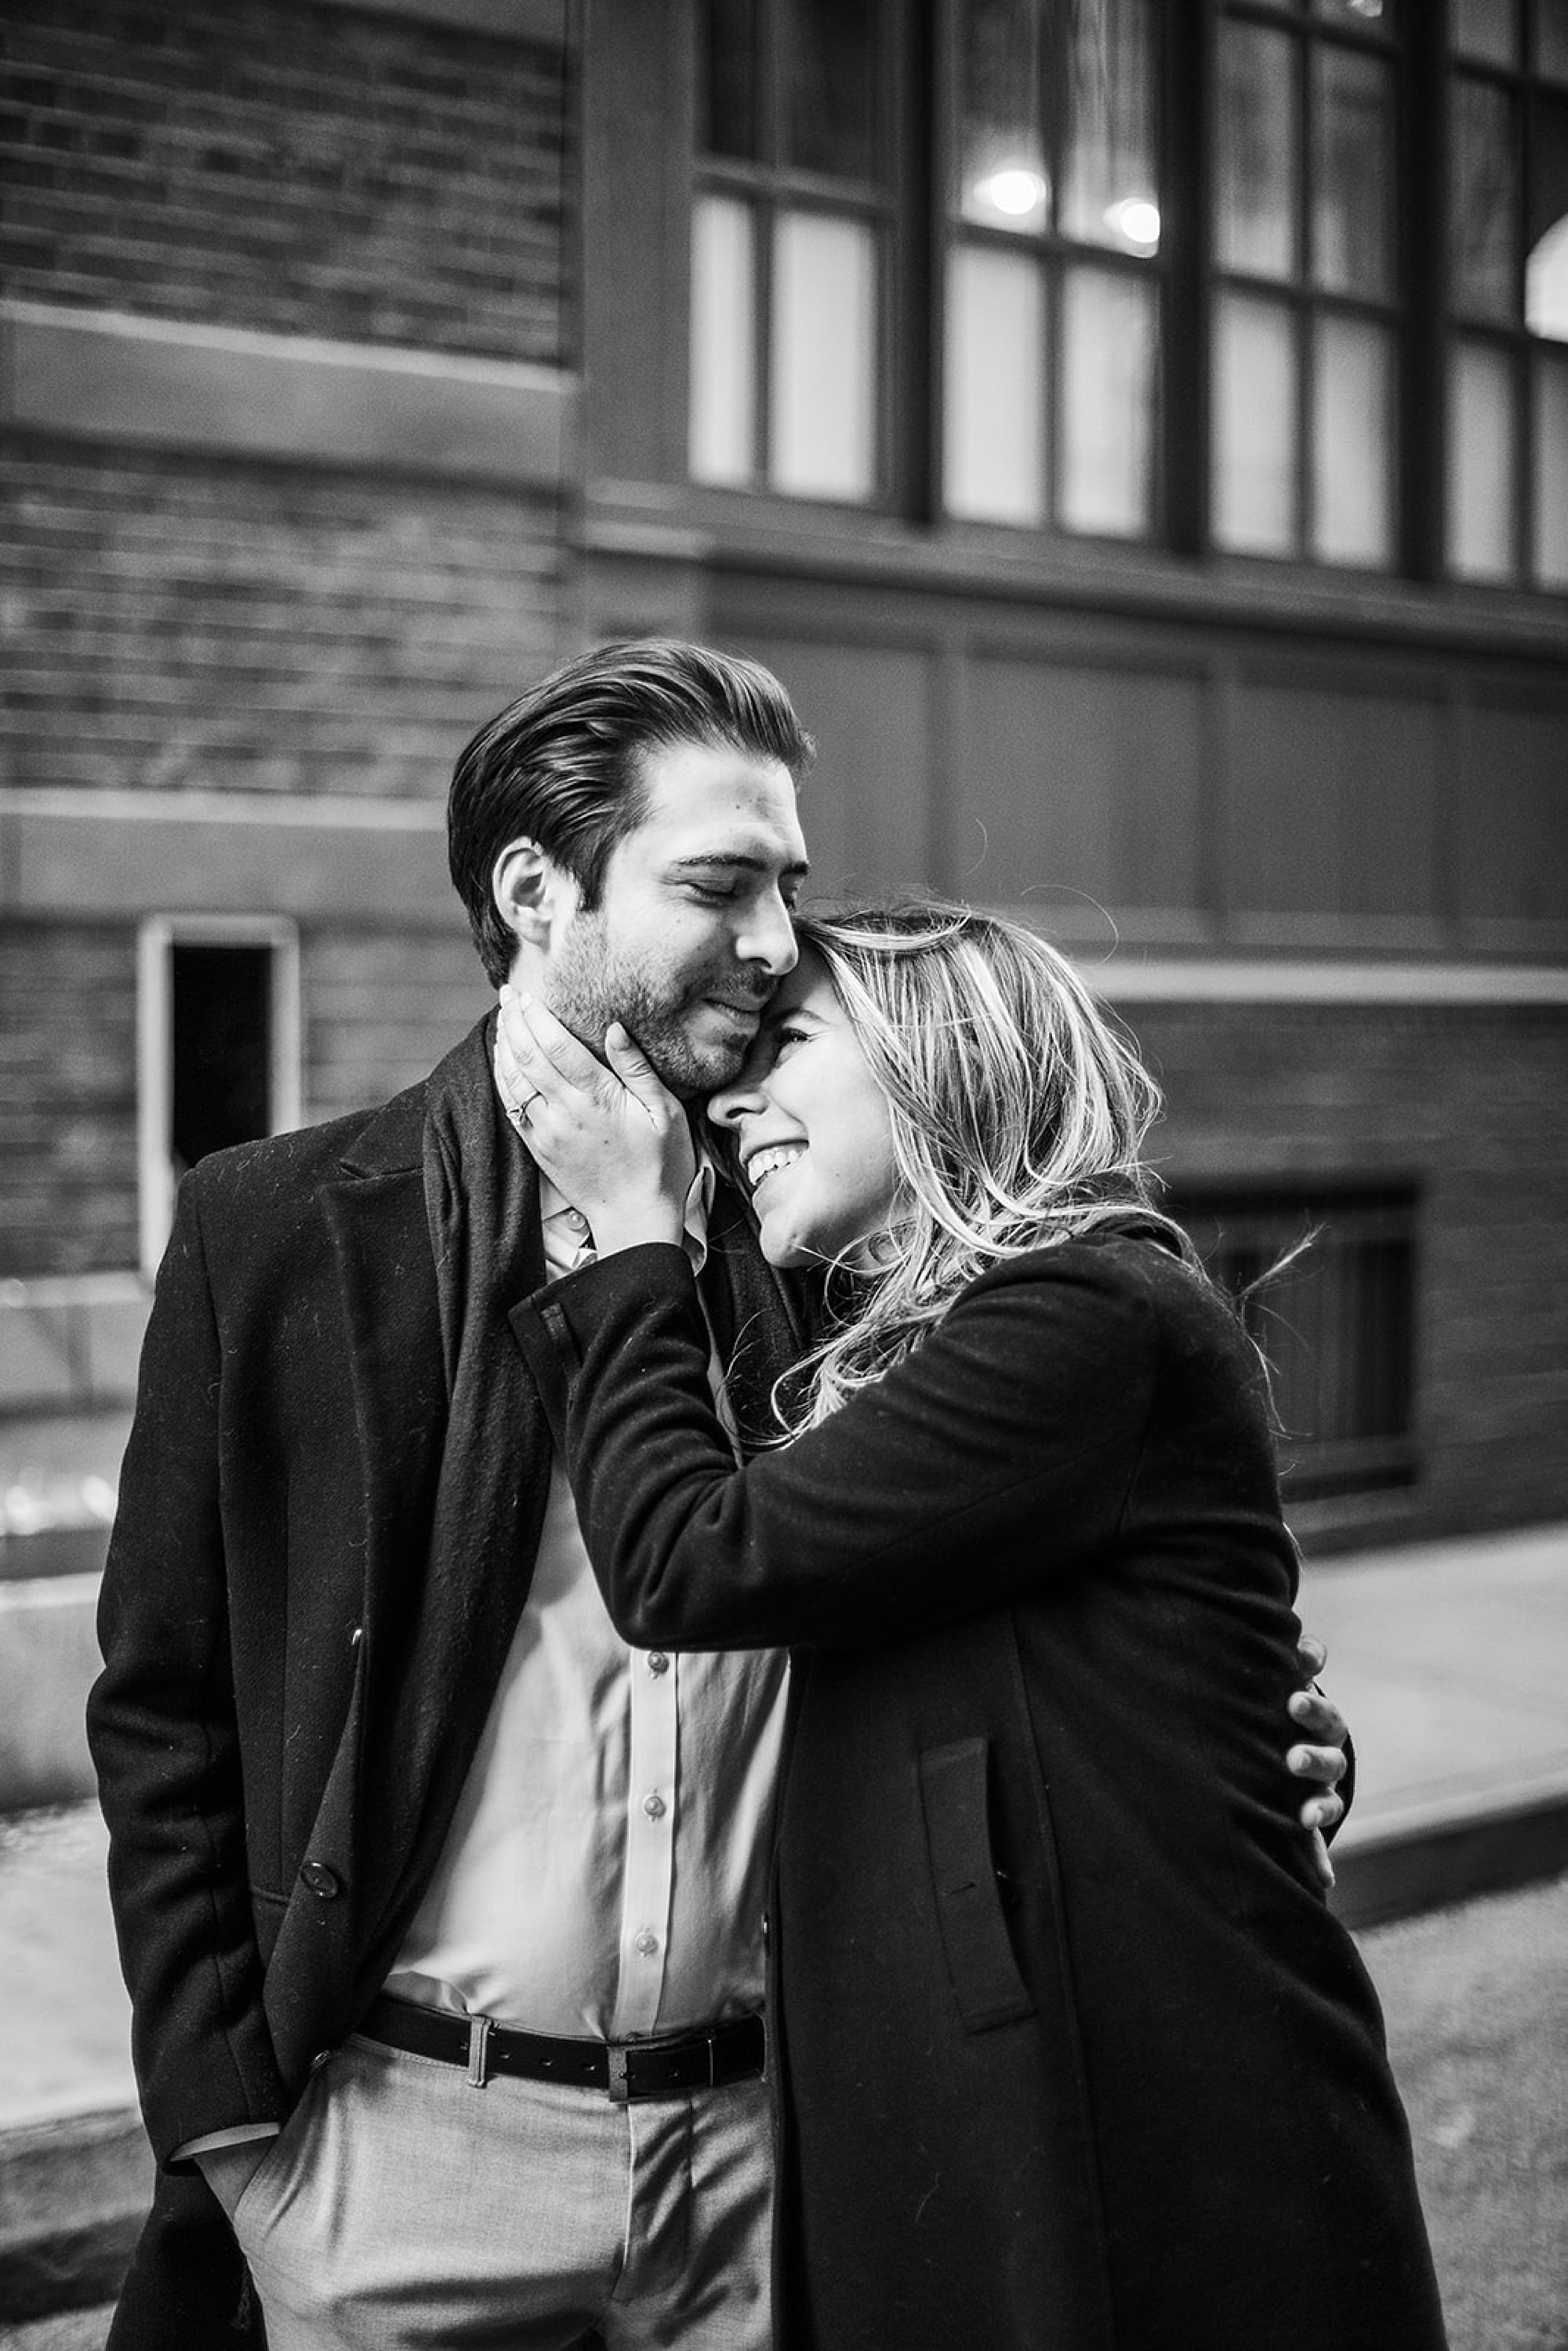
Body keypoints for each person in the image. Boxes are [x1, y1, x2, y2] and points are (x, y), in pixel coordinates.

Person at [89, 642, 1348, 2351]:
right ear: (540, 892)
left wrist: (1241, 1725)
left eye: (789, 887)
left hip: (784, 2162)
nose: (772, 945)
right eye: (717, 884)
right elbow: (166, 1709)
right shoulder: (283, 1228)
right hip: (399, 2162)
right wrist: (238, 2137)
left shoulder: (836, 1233)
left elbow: (1032, 1549)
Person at [498, 900, 1446, 2351]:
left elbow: (693, 1561)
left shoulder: (1088, 1308)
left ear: (946, 1061)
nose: (733, 1099)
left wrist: (630, 1238)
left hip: (1149, 2145)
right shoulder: (922, 1352)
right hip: (995, 2126)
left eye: (791, 1043)